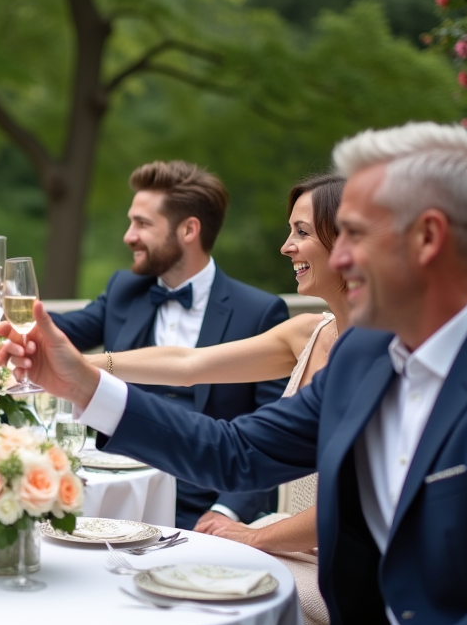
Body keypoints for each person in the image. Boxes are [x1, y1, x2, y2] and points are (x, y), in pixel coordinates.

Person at [5, 122, 467, 625]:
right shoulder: (364, 357)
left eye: (352, 235)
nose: (336, 257)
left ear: (427, 238)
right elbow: (237, 452)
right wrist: (85, 386)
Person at [85, 173, 347, 625]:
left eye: (302, 232)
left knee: (182, 594)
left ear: (351, 241)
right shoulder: (308, 332)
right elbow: (189, 364)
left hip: (345, 564)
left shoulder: (390, 356)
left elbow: (351, 507)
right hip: (285, 537)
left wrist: (254, 536)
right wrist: (83, 368)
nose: (286, 247)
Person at [50, 160, 289, 530]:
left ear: (189, 229)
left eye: (143, 224)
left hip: (204, 500)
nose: (129, 236)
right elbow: (58, 332)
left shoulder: (259, 313)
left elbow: (271, 432)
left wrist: (226, 513)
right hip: (116, 490)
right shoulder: (124, 291)